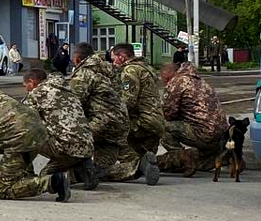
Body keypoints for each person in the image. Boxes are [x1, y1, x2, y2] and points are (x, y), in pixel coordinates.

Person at [68, 43, 136, 181]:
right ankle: (138, 167)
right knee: (102, 170)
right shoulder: (110, 69)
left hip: (100, 122)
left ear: (77, 59)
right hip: (120, 123)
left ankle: (75, 176)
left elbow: (74, 103)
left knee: (69, 140)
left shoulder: (84, 73)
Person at [22, 68, 98, 190]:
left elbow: (23, 118)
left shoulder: (37, 93)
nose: (26, 89)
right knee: (68, 142)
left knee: (25, 135)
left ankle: (27, 174)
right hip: (87, 144)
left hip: (66, 148)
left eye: (26, 85)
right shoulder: (67, 89)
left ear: (32, 82)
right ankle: (83, 165)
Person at [156, 62, 226, 176]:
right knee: (200, 158)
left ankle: (181, 160)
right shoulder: (199, 80)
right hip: (221, 133)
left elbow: (168, 113)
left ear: (166, 76)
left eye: (163, 80)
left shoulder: (176, 82)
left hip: (203, 133)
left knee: (160, 126)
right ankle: (225, 158)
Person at [110, 43, 164, 185]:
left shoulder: (130, 71)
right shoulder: (146, 67)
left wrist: (112, 116)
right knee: (144, 152)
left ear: (121, 57)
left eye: (113, 58)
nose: (113, 62)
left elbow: (128, 101)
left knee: (111, 131)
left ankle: (136, 166)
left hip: (143, 121)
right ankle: (146, 161)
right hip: (156, 121)